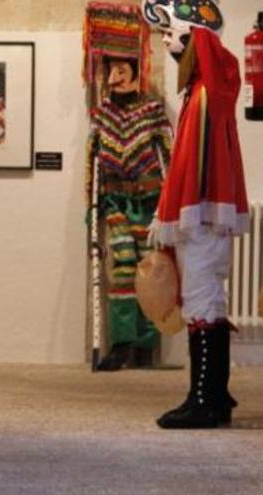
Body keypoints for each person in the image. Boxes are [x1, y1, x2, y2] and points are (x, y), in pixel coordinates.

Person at [143, 0, 249, 428]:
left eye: (171, 32)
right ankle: (214, 395)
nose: (166, 39)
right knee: (207, 300)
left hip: (202, 217)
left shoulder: (205, 96)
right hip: (203, 216)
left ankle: (205, 401)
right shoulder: (202, 93)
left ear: (193, 38)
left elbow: (196, 166)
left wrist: (182, 210)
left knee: (202, 302)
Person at [86, 56, 172, 371]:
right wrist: (90, 206)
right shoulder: (103, 115)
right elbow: (90, 157)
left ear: (136, 73)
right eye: (111, 71)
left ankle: (145, 344)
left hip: (150, 202)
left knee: (151, 269)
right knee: (122, 266)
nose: (115, 77)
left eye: (122, 70)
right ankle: (122, 344)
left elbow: (170, 152)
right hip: (116, 203)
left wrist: (174, 203)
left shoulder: (152, 111)